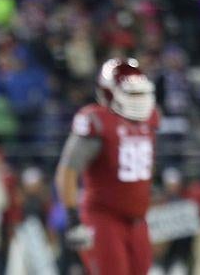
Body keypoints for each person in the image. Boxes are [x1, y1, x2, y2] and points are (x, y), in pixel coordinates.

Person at [55, 58, 160, 275]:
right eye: (131, 94)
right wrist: (73, 218)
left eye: (140, 93)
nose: (139, 100)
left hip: (138, 219)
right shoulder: (98, 121)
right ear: (109, 93)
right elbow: (68, 170)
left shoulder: (150, 119)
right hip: (103, 218)